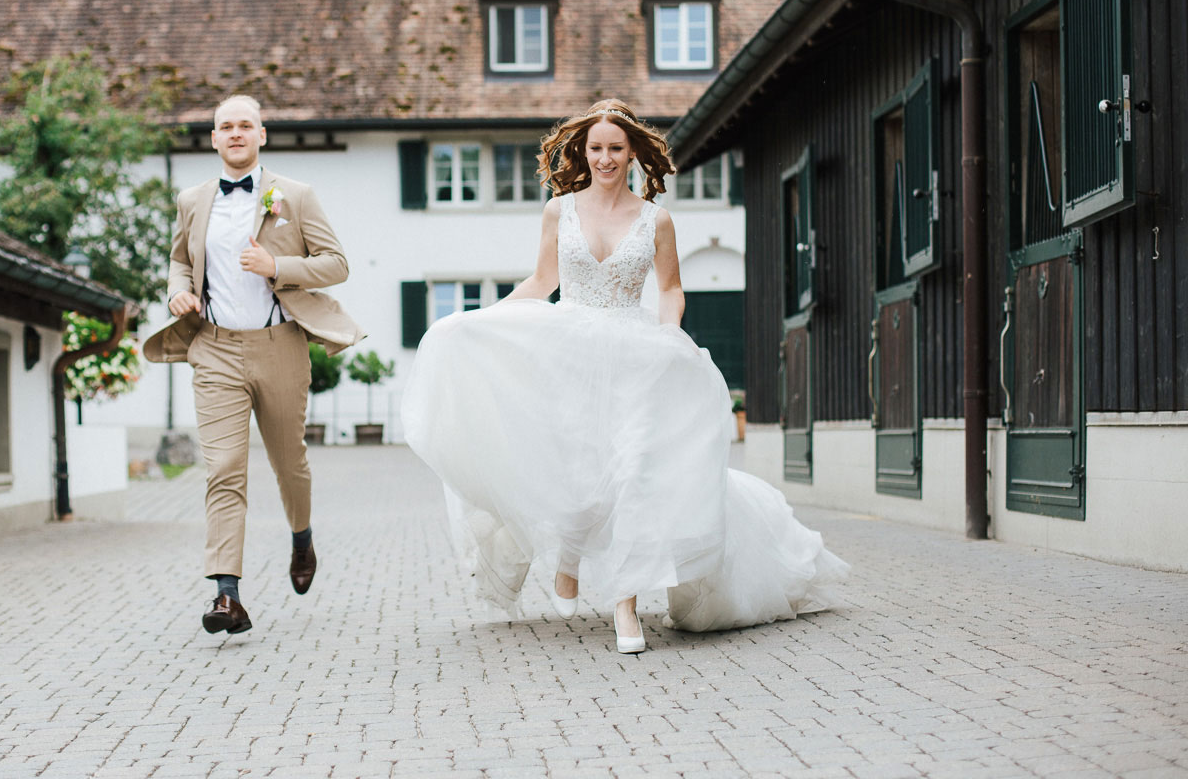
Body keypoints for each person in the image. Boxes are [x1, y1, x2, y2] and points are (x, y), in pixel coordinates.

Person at [401, 98, 848, 654]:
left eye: (616, 148)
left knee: (633, 469)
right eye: (596, 149)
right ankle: (567, 557)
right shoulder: (557, 211)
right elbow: (542, 282)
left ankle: (626, 604)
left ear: (633, 152)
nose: (606, 158)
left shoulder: (655, 220)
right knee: (575, 464)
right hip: (569, 350)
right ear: (582, 152)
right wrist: (482, 321)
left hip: (634, 350)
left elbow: (669, 288)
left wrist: (670, 335)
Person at [143, 94, 364, 636]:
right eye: (226, 127)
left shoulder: (294, 195)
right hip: (214, 348)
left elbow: (337, 263)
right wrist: (177, 294)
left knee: (290, 464)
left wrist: (277, 265)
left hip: (280, 345)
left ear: (261, 135)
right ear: (214, 139)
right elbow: (178, 261)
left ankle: (301, 535)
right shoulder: (192, 200)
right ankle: (227, 595)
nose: (236, 133)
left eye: (246, 125)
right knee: (223, 469)